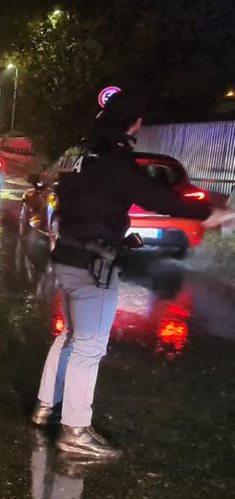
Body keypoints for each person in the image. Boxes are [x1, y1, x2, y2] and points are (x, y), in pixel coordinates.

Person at [31, 90, 234, 458]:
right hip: (94, 264)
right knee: (89, 346)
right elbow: (156, 197)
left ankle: (46, 406)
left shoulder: (78, 153)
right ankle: (74, 431)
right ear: (133, 123)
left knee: (70, 337)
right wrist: (209, 214)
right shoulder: (116, 160)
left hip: (67, 255)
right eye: (139, 120)